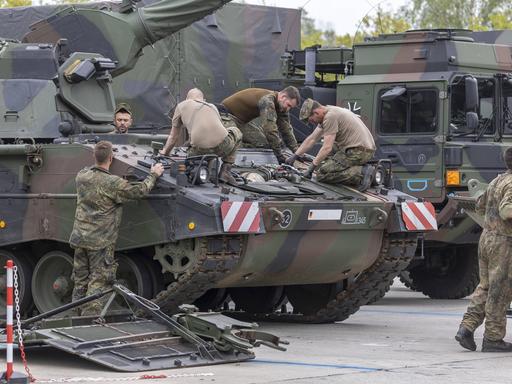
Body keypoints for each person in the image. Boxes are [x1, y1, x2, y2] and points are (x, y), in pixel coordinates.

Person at [69, 141, 164, 315]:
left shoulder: (81, 176)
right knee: (99, 281)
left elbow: (91, 171)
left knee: (80, 281)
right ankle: (89, 320)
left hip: (80, 238)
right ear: (111, 158)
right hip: (100, 241)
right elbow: (139, 191)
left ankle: (74, 316)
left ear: (93, 156)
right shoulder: (113, 183)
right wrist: (153, 175)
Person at [455, 147, 512, 352]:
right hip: (504, 243)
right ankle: (493, 339)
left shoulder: (498, 180)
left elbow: (479, 205)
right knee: (500, 291)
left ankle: (466, 328)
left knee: (485, 286)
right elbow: (507, 210)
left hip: (487, 238)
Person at [285, 98, 376, 190]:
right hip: (358, 148)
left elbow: (327, 147)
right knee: (321, 164)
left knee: (321, 175)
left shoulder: (330, 117)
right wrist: (295, 156)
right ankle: (357, 169)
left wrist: (311, 169)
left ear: (316, 112)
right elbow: (312, 139)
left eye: (312, 120)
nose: (313, 122)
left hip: (359, 151)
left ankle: (360, 173)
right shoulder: (328, 111)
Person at [160, 88, 242, 184]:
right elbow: (215, 133)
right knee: (236, 131)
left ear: (187, 99)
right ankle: (225, 171)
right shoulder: (212, 106)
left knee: (200, 147)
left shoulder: (181, 106)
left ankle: (203, 174)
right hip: (223, 146)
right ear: (204, 100)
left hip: (198, 151)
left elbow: (173, 137)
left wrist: (165, 152)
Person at [220, 86, 300, 163]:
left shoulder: (281, 106)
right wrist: (279, 155)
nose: (288, 109)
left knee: (263, 143)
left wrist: (297, 152)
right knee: (232, 142)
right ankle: (226, 168)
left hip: (241, 122)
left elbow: (286, 129)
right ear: (283, 97)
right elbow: (270, 129)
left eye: (291, 107)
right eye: (288, 105)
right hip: (226, 116)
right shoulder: (267, 100)